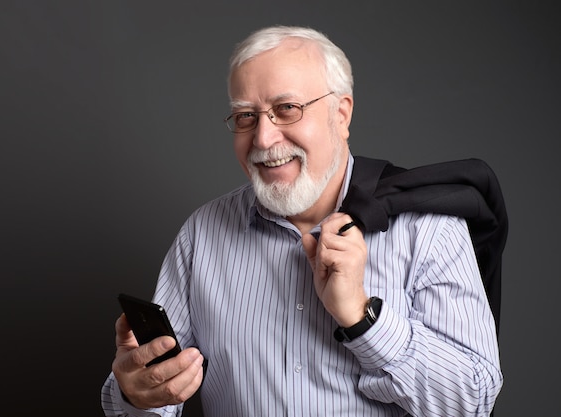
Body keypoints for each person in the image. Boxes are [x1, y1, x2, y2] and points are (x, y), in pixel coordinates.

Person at [101, 25, 503, 416]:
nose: (262, 139)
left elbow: (474, 402)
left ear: (340, 114)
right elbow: (160, 389)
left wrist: (364, 319)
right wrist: (136, 397)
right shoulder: (201, 234)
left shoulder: (429, 229)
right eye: (245, 117)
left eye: (286, 109)